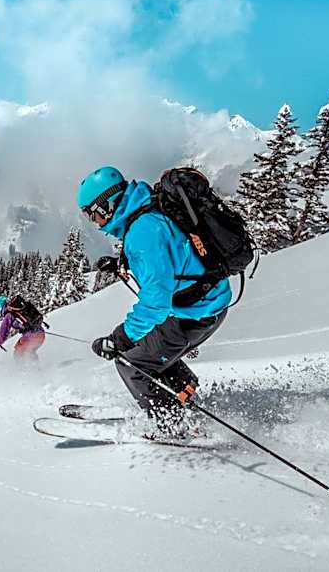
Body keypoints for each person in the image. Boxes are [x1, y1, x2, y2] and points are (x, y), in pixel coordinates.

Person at [77, 166, 231, 439]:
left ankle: (172, 426)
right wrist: (124, 262)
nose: (95, 222)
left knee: (129, 362)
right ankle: (185, 394)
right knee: (150, 347)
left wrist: (119, 338)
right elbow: (173, 252)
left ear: (108, 205)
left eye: (93, 214)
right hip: (208, 302)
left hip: (193, 313)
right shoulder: (149, 208)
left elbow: (156, 303)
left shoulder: (142, 232)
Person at [0, 296, 45, 361]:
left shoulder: (9, 315)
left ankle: (24, 369)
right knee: (28, 351)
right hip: (40, 334)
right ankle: (37, 368)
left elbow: (3, 333)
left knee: (19, 352)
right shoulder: (17, 310)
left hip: (32, 337)